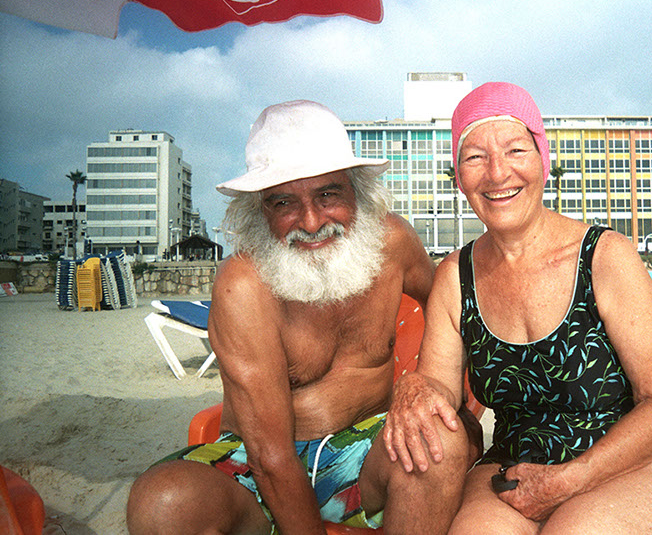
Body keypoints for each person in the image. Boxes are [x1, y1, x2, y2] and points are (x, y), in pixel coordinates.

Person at [127, 100, 480, 535]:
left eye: (328, 195)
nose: (311, 223)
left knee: (440, 440)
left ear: (356, 191)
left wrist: (454, 399)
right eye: (284, 203)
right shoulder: (244, 286)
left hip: (367, 453)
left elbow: (459, 316)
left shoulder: (392, 243)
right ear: (260, 210)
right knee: (162, 504)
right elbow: (270, 456)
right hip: (255, 462)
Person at [382, 82, 652, 533]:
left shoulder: (604, 257)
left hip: (641, 458)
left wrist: (570, 480)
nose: (497, 173)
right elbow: (441, 392)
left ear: (543, 159)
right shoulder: (455, 276)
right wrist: (415, 388)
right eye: (475, 157)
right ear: (459, 177)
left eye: (516, 150)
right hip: (516, 462)